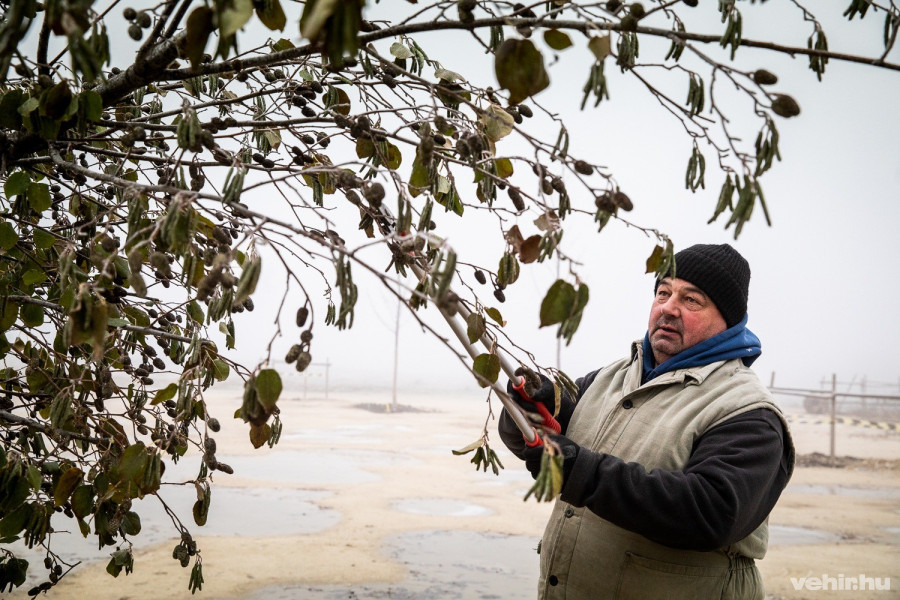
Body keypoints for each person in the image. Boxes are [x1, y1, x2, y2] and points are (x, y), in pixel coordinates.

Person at [498, 243, 795, 600]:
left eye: (691, 300)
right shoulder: (609, 377)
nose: (668, 308)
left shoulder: (747, 412)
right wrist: (525, 410)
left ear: (728, 321)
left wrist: (582, 472)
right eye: (663, 293)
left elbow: (710, 513)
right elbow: (536, 442)